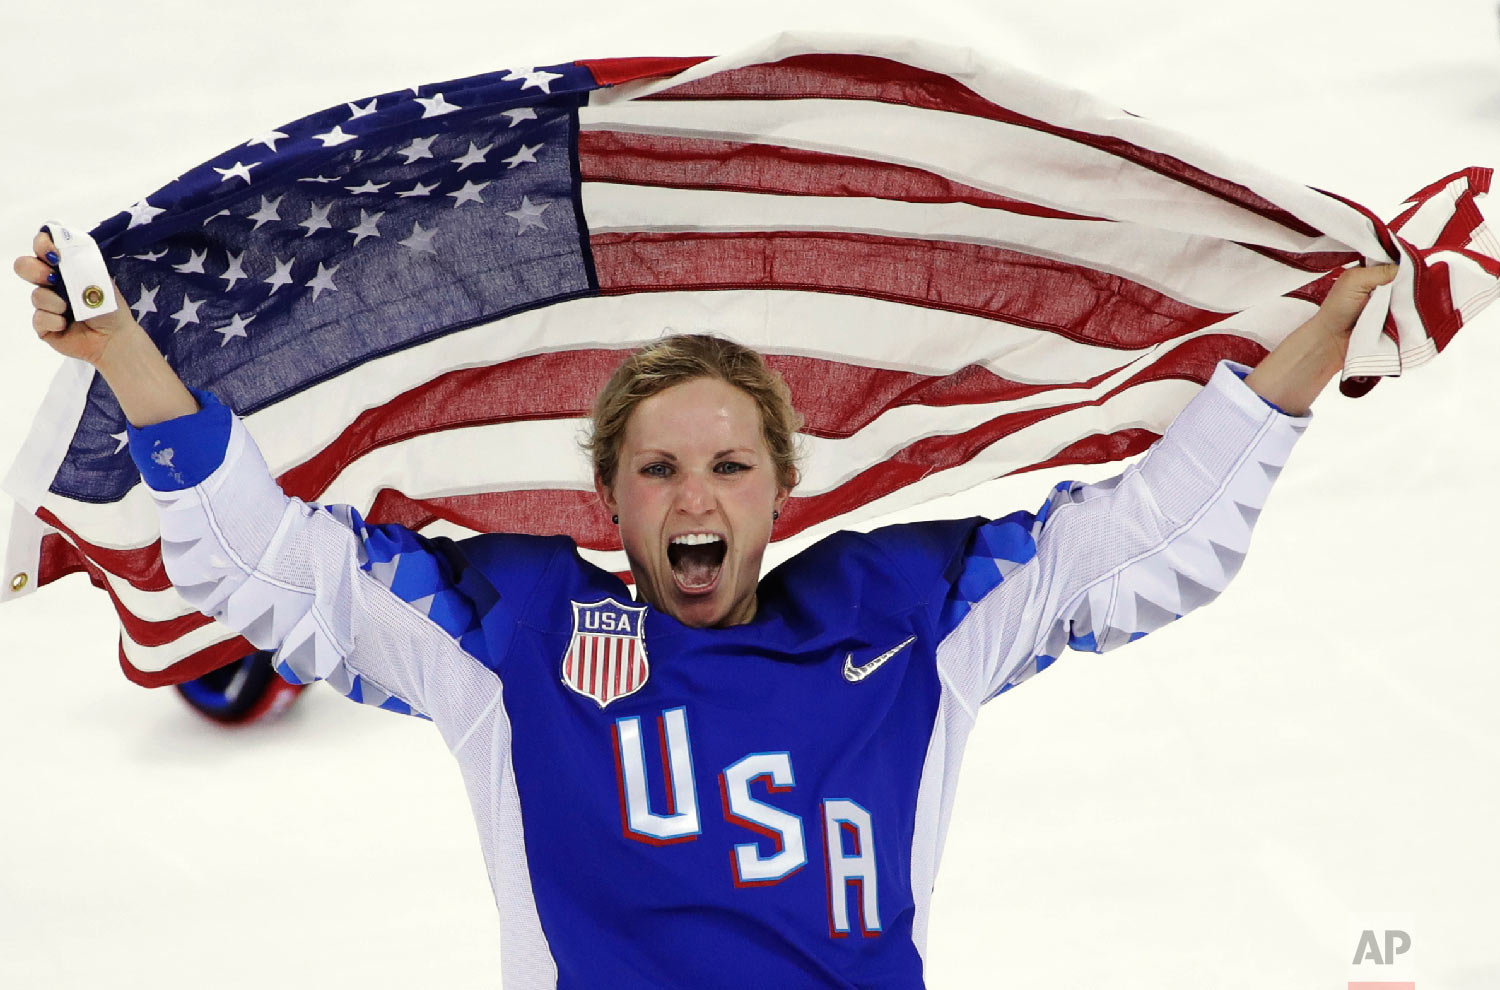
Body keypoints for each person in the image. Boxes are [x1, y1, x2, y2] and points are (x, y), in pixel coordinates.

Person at [14, 229, 1397, 989]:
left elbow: (1140, 545)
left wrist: (1301, 360)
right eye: (659, 466)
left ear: (781, 490)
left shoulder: (906, 622)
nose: (697, 493)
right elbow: (269, 569)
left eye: (730, 464)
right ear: (607, 499)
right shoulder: (520, 636)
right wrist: (122, 351)